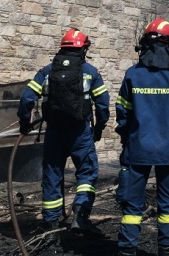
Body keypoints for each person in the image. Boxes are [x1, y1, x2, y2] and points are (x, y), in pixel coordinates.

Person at [115, 17, 169, 256]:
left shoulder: (132, 75)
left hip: (137, 148)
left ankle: (127, 250)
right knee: (168, 206)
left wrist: (126, 138)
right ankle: (166, 250)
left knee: (131, 207)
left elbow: (122, 115)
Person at [17, 28, 109, 233]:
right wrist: (99, 127)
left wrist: (25, 122)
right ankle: (80, 212)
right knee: (86, 172)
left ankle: (51, 222)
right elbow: (103, 104)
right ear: (83, 49)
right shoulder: (90, 72)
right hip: (80, 132)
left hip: (55, 132)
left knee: (52, 175)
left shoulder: (47, 71)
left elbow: (26, 99)